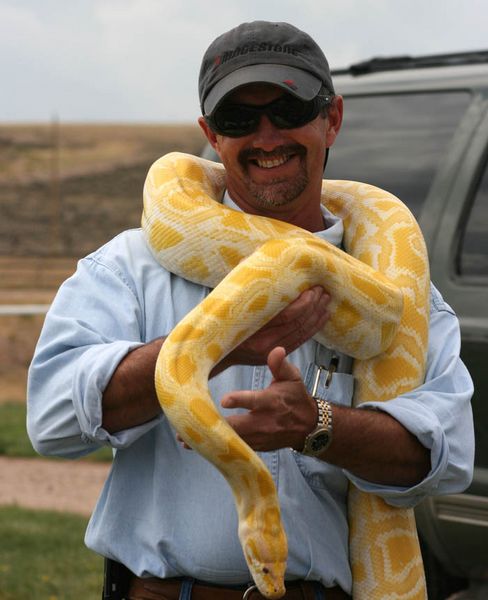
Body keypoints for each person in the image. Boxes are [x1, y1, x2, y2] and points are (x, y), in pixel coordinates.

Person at [27, 20, 474, 600]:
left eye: (288, 111)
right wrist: (225, 341)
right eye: (239, 120)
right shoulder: (131, 268)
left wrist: (316, 426)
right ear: (211, 135)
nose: (266, 137)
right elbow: (52, 421)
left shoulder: (393, 287)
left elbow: (446, 456)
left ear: (331, 118)